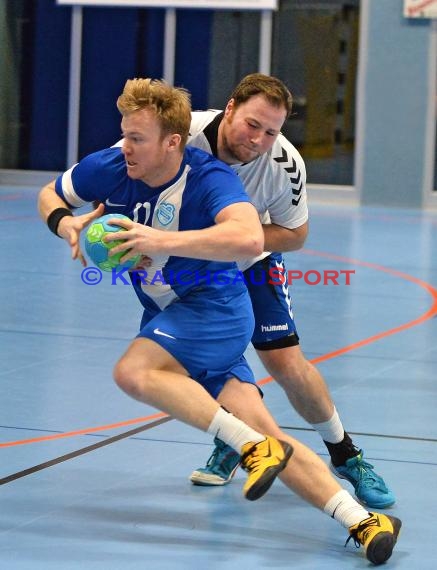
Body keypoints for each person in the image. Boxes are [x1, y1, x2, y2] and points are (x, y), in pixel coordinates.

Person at [38, 78, 401, 566]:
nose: (125, 145)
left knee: (136, 372)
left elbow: (253, 238)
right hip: (172, 307)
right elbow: (51, 193)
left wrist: (158, 241)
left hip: (214, 306)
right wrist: (66, 223)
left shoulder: (210, 177)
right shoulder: (114, 165)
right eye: (125, 134)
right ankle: (362, 521)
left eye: (137, 138)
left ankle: (265, 448)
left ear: (173, 141)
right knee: (267, 430)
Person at [178, 73, 395, 510]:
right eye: (252, 124)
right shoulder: (181, 136)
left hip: (251, 262)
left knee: (284, 361)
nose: (259, 139)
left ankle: (345, 453)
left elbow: (295, 234)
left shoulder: (283, 163)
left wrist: (241, 238)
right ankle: (239, 440)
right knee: (209, 364)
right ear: (232, 105)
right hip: (189, 267)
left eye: (271, 131)